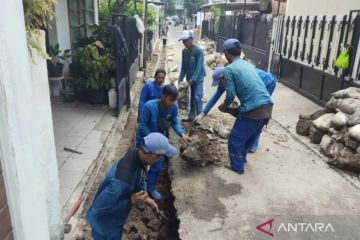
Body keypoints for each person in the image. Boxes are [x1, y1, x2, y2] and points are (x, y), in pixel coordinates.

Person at [198, 39, 272, 174]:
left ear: (226, 53)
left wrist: (226, 106)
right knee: (249, 136)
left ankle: (237, 167)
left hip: (254, 108)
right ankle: (242, 159)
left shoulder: (229, 70)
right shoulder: (247, 64)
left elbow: (230, 94)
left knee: (235, 138)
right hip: (267, 107)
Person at [86, 133, 177, 240]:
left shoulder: (138, 155)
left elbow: (141, 177)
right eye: (160, 157)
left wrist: (147, 198)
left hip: (115, 216)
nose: (160, 160)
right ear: (153, 157)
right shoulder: (121, 180)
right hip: (104, 224)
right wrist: (131, 201)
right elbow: (98, 209)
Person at [194, 66, 276, 153]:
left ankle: (253, 143)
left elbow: (247, 95)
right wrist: (203, 113)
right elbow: (215, 97)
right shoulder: (225, 80)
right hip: (257, 82)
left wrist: (230, 107)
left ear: (223, 77)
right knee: (250, 112)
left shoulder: (238, 78)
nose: (219, 85)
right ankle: (248, 138)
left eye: (219, 82)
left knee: (258, 112)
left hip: (267, 81)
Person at [136, 85, 192, 200]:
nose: (172, 103)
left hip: (159, 142)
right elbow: (142, 125)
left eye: (174, 100)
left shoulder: (173, 107)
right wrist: (152, 139)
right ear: (163, 96)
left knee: (157, 164)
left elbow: (174, 122)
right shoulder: (149, 107)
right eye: (170, 100)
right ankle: (141, 191)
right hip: (145, 141)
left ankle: (151, 189)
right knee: (141, 167)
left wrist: (181, 133)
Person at [178, 31, 206, 120]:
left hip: (198, 78)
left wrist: (193, 79)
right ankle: (191, 116)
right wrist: (180, 78)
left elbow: (199, 67)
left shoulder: (198, 51)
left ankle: (199, 117)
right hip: (189, 78)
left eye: (186, 41)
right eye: (183, 41)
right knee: (192, 98)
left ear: (191, 40)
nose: (185, 43)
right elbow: (183, 66)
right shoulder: (184, 52)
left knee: (198, 97)